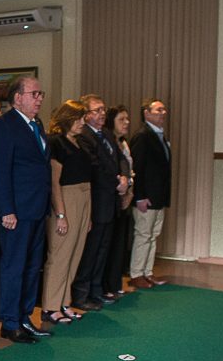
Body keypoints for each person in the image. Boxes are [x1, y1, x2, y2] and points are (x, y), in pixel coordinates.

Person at [0, 76, 51, 343]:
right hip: (17, 212)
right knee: (14, 266)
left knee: (32, 266)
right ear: (17, 98)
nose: (39, 98)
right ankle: (10, 322)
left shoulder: (36, 125)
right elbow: (0, 172)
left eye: (41, 94)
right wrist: (7, 210)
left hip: (37, 209)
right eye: (34, 93)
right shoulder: (5, 126)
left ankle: (25, 318)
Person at [71, 94, 127, 311]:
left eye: (103, 109)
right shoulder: (84, 136)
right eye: (96, 110)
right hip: (96, 201)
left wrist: (124, 177)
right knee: (91, 250)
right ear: (85, 114)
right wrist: (117, 182)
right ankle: (81, 295)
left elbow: (120, 159)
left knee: (103, 249)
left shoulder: (106, 134)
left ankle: (96, 291)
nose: (102, 114)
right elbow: (95, 168)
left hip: (110, 201)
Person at [40, 100, 91, 325]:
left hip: (84, 197)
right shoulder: (56, 142)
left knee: (75, 253)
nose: (82, 122)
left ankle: (64, 302)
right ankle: (50, 306)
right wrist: (61, 214)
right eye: (78, 118)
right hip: (66, 199)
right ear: (67, 118)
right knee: (60, 255)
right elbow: (54, 182)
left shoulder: (79, 142)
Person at [129, 98, 171, 288]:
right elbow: (138, 167)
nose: (163, 113)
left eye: (164, 110)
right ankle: (136, 273)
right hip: (145, 197)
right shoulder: (142, 136)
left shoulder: (160, 136)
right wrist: (139, 196)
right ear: (146, 113)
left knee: (153, 235)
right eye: (158, 110)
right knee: (143, 235)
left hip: (158, 196)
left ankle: (147, 272)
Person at [103, 105, 135, 297]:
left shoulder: (123, 143)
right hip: (111, 196)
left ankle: (115, 284)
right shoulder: (107, 140)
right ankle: (106, 286)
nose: (126, 123)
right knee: (109, 244)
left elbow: (127, 167)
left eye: (127, 119)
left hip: (125, 195)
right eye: (121, 119)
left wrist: (129, 190)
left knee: (120, 243)